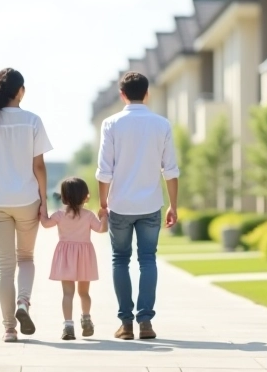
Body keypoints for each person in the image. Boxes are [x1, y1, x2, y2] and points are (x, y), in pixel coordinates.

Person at [0, 68, 53, 343]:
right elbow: (39, 166)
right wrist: (44, 202)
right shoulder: (32, 121)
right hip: (27, 199)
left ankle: (9, 329)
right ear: (20, 91)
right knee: (26, 258)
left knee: (5, 267)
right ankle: (23, 303)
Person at [96, 71, 179, 341]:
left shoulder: (111, 124)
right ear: (147, 93)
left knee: (120, 260)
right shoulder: (161, 124)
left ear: (122, 95)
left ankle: (126, 324)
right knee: (148, 260)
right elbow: (170, 170)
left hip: (120, 204)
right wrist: (173, 205)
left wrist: (103, 203)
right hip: (151, 204)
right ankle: (145, 322)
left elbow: (104, 170)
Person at [40, 177, 108, 341]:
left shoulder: (60, 215)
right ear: (85, 196)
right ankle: (86, 318)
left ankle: (68, 326)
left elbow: (45, 224)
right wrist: (104, 216)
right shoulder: (89, 215)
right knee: (84, 293)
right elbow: (102, 229)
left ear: (64, 197)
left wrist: (42, 209)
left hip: (66, 257)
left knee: (67, 293)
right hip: (84, 257)